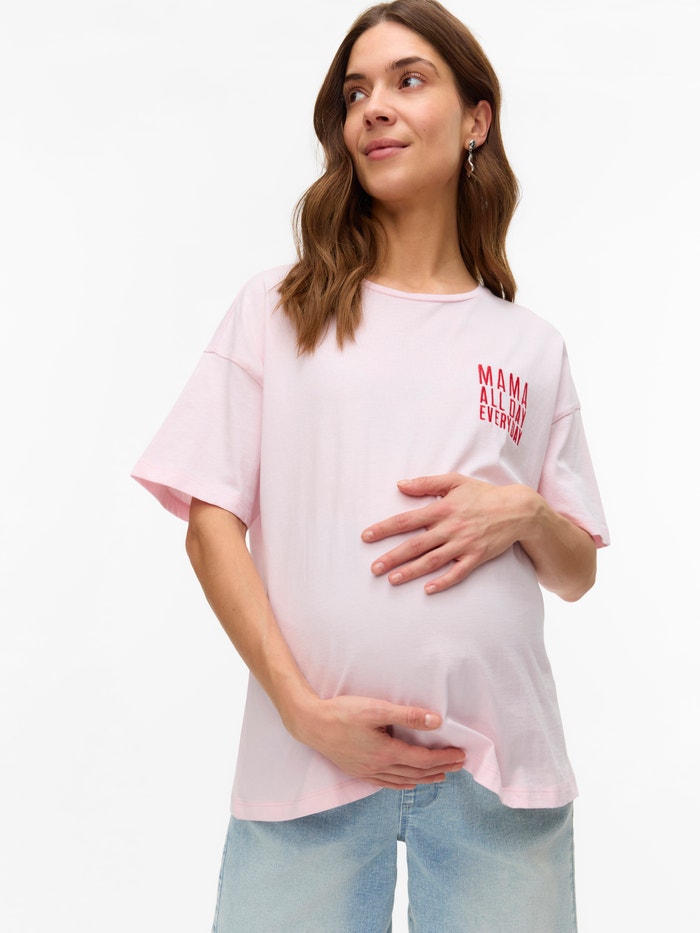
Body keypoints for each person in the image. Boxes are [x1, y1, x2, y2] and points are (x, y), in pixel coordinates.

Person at [132, 1, 609, 929]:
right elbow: (209, 521)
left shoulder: (530, 346)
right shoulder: (280, 310)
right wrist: (302, 711)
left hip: (496, 781)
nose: (374, 108)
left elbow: (578, 569)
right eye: (356, 93)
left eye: (408, 80)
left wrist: (523, 513)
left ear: (476, 121)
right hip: (307, 768)